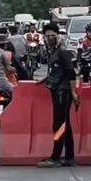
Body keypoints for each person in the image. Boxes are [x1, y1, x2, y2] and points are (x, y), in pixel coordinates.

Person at [38, 23, 79, 168]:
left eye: (52, 35)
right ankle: (69, 157)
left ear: (57, 35)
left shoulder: (62, 51)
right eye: (47, 36)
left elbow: (71, 72)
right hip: (58, 90)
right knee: (64, 125)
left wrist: (73, 92)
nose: (50, 38)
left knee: (59, 125)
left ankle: (55, 157)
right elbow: (57, 70)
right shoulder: (53, 51)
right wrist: (46, 79)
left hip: (63, 92)